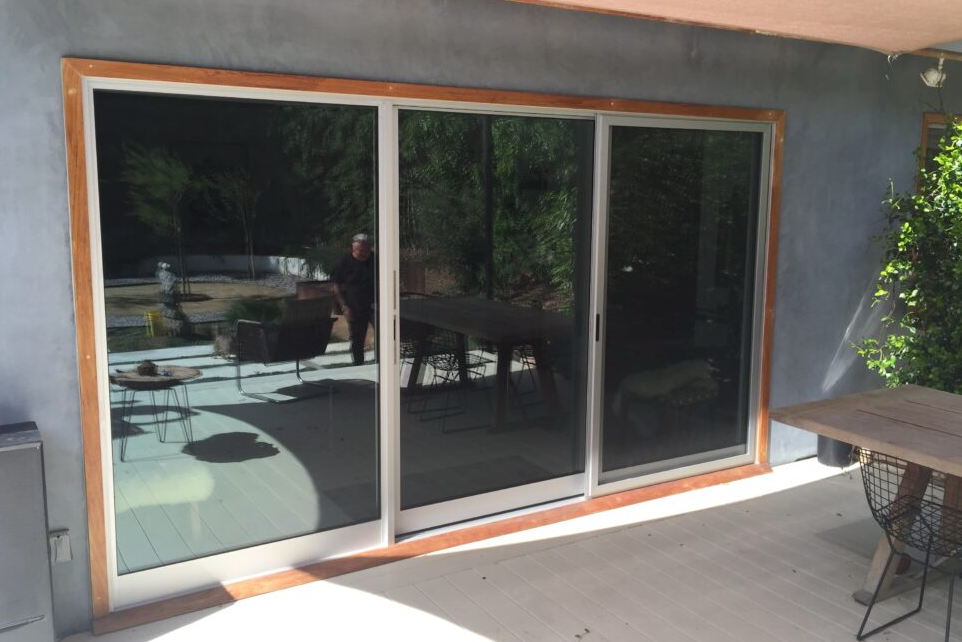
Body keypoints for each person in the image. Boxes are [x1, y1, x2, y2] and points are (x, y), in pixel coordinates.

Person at [332, 233, 376, 366]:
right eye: (360, 251)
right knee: (357, 340)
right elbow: (336, 286)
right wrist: (344, 306)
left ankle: (382, 365)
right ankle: (358, 366)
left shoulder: (375, 259)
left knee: (383, 336)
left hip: (375, 305)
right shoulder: (344, 262)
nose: (364, 254)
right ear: (353, 248)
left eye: (367, 251)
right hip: (354, 306)